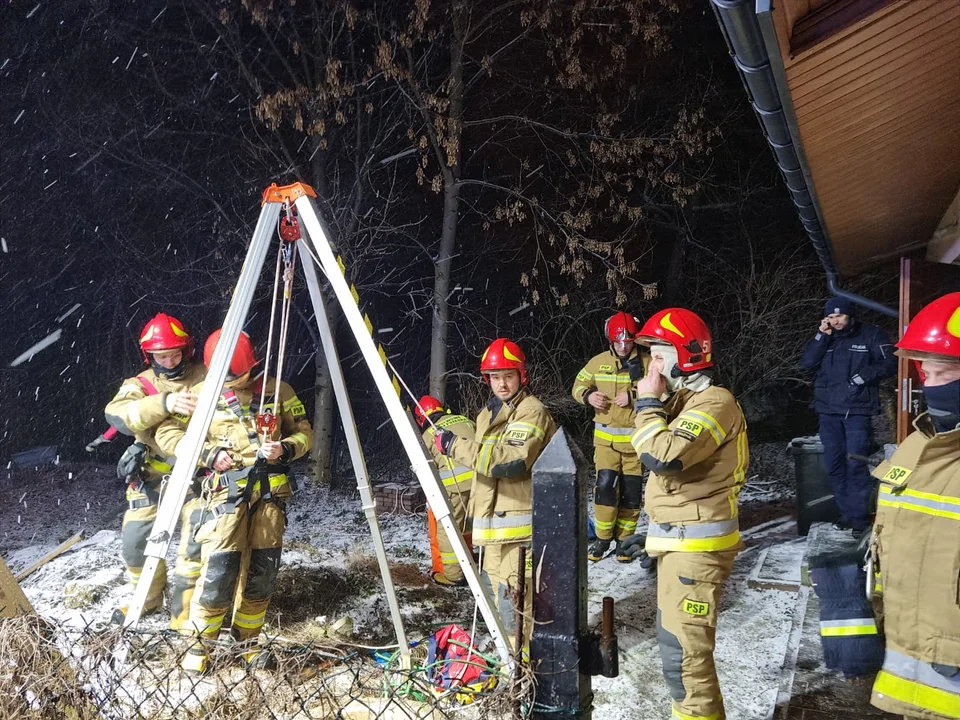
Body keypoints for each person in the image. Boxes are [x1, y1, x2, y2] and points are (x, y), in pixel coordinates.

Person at [156, 329, 312, 673]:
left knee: (262, 571)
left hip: (270, 496)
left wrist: (285, 448)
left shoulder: (278, 391)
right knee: (218, 570)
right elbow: (167, 433)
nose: (235, 382)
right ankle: (199, 647)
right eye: (228, 376)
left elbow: (304, 432)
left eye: (240, 375)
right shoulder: (201, 394)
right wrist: (208, 454)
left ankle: (249, 642)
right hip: (226, 496)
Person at [628, 308, 749, 720]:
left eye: (660, 354)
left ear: (688, 354)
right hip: (681, 542)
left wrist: (647, 402)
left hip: (698, 549)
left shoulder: (715, 402)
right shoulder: (682, 402)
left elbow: (662, 457)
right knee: (677, 654)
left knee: (686, 662)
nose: (652, 364)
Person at [868, 292, 960, 720]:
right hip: (911, 655)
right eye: (924, 371)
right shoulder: (919, 443)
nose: (927, 384)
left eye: (942, 372)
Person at [433, 338, 557, 651]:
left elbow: (510, 461)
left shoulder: (532, 412)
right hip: (491, 534)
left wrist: (454, 446)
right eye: (495, 377)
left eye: (508, 376)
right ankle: (510, 664)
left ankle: (524, 677)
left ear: (521, 375)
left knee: (516, 609)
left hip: (520, 533)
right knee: (498, 608)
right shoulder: (487, 415)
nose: (501, 384)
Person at [104, 312, 205, 629]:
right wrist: (164, 403)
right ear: (150, 355)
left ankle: (189, 611)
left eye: (176, 353)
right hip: (150, 478)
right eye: (163, 355)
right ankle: (146, 599)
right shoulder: (141, 384)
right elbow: (118, 415)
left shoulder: (206, 376)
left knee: (197, 544)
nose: (171, 361)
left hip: (198, 478)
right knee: (135, 541)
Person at [801, 296, 897, 537]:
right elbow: (807, 362)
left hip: (857, 412)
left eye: (840, 316)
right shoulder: (827, 336)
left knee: (855, 464)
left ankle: (860, 519)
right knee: (834, 466)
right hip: (828, 412)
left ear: (850, 315)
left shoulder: (871, 334)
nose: (836, 321)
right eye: (831, 317)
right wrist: (821, 335)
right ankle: (848, 514)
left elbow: (891, 363)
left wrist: (864, 376)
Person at [572, 311, 649, 563]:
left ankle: (624, 542)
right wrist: (588, 396)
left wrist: (635, 397)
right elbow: (577, 386)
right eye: (619, 342)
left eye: (628, 342)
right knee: (605, 488)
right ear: (610, 341)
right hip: (605, 443)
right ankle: (603, 539)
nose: (624, 346)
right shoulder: (598, 362)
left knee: (631, 492)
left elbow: (664, 392)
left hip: (635, 443)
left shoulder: (648, 363)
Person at [415, 395, 475, 587]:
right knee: (478, 526)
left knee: (448, 530)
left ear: (421, 419)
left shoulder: (428, 434)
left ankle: (453, 576)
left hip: (456, 489)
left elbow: (427, 470)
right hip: (484, 483)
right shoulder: (466, 420)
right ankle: (480, 565)